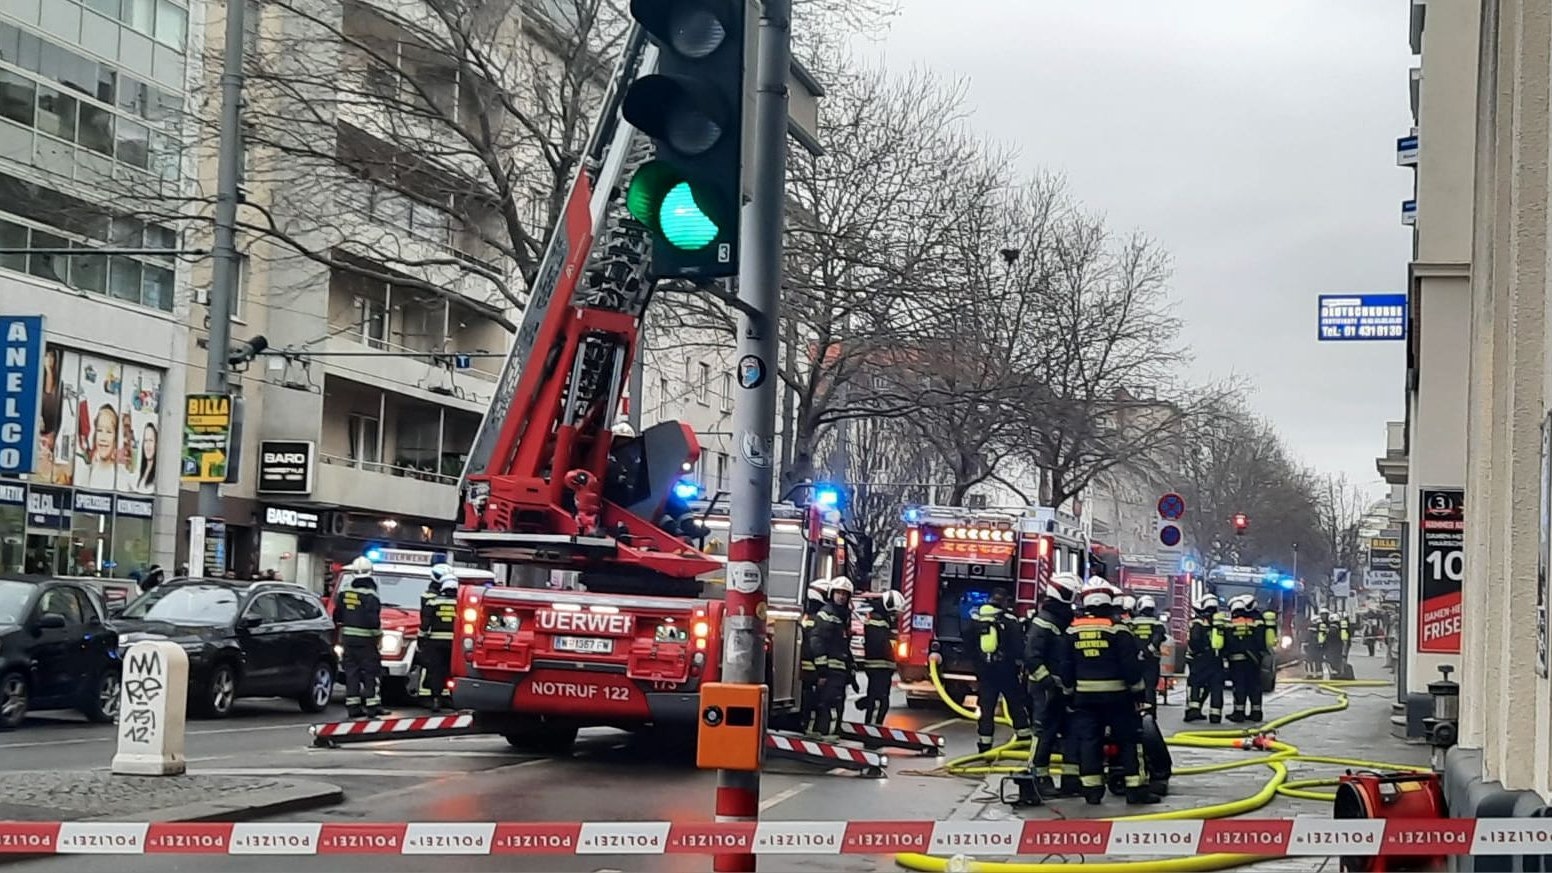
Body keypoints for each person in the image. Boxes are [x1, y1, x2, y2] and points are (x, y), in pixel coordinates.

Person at [1060, 581, 1159, 806]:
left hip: (1084, 699)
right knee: (1130, 741)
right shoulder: (1118, 629)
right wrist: (1139, 694)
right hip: (1118, 699)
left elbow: (1065, 667)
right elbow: (1130, 667)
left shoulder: (1071, 631)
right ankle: (1136, 790)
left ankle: (1092, 791)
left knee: (1089, 741)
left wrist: (1068, 694)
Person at [1021, 571, 1081, 803]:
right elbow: (1031, 656)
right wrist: (1047, 682)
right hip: (1045, 688)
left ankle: (1070, 780)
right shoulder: (1045, 620)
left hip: (1061, 688)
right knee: (1043, 731)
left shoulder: (1061, 618)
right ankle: (1038, 776)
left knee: (1069, 732)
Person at [971, 586, 1032, 754]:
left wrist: (978, 664)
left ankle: (984, 745)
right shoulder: (1010, 621)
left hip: (985, 672)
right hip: (1007, 671)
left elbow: (968, 642)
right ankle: (1024, 740)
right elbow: (1019, 648)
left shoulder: (977, 620)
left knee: (986, 708)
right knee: (1016, 704)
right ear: (1005, 601)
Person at [337, 556, 386, 718]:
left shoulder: (344, 592)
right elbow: (374, 620)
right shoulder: (371, 594)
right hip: (366, 641)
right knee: (370, 672)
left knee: (352, 672)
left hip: (348, 640)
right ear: (370, 573)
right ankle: (372, 707)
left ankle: (353, 707)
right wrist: (379, 636)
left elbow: (338, 615)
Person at [808, 576, 854, 741]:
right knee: (827, 703)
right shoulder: (827, 614)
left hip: (839, 671)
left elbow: (843, 647)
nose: (841, 596)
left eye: (844, 594)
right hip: (830, 671)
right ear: (831, 594)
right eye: (838, 593)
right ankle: (823, 736)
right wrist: (822, 671)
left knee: (836, 703)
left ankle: (829, 734)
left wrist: (851, 669)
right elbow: (817, 642)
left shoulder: (842, 617)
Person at [857, 590, 902, 725]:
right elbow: (881, 644)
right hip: (879, 667)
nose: (895, 617)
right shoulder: (877, 620)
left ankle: (872, 729)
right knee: (879, 701)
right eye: (893, 613)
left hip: (881, 668)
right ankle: (872, 732)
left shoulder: (881, 619)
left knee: (879, 700)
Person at [418, 575, 458, 711]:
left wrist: (421, 640)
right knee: (450, 671)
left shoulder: (433, 602)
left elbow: (425, 624)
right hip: (454, 644)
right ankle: (449, 696)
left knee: (435, 670)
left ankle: (436, 699)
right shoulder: (460, 604)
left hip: (435, 643)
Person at [1224, 595, 1267, 722]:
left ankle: (1238, 713)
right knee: (1254, 685)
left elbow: (1228, 640)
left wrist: (1225, 654)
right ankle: (1256, 712)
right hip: (1254, 660)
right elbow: (1261, 640)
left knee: (1239, 686)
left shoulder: (1233, 622)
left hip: (1237, 660)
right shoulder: (1258, 620)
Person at [1183, 594, 1225, 723]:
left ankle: (1193, 710)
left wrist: (1195, 652)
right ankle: (1215, 715)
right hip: (1216, 659)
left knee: (1195, 683)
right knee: (1216, 687)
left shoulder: (1197, 623)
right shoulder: (1219, 623)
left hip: (1200, 659)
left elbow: (1194, 641)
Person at [799, 578, 832, 733]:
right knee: (813, 700)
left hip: (804, 667)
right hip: (811, 669)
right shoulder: (816, 618)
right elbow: (816, 645)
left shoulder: (807, 616)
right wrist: (822, 670)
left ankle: (805, 725)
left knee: (807, 698)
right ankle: (809, 727)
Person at [1130, 595, 1167, 713]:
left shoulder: (1132, 623)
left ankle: (1136, 712)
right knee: (1150, 688)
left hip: (1135, 660)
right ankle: (1150, 714)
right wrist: (1147, 652)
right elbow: (1159, 638)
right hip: (1151, 661)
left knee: (1135, 687)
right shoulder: (1157, 624)